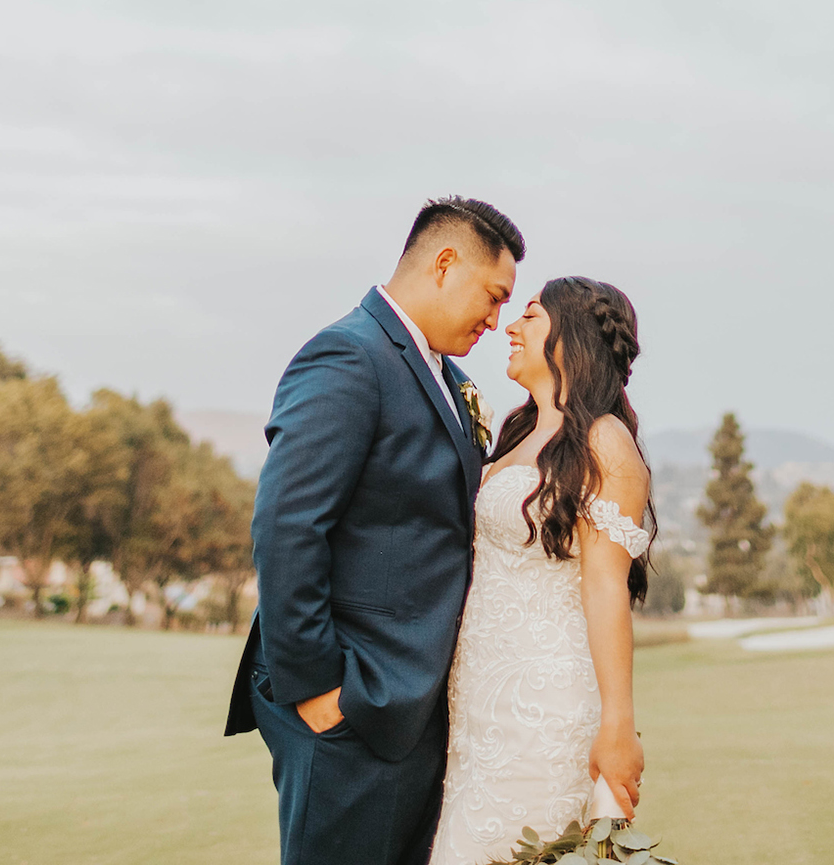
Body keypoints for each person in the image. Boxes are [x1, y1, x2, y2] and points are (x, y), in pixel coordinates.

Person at [226, 195, 525, 865]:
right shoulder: (348, 356)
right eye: (493, 296)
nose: (495, 319)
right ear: (444, 264)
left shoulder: (448, 376)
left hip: (412, 708)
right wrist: (318, 688)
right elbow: (287, 524)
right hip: (353, 706)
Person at [428, 276, 654, 864]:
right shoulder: (520, 432)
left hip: (545, 709)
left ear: (570, 335)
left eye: (529, 315)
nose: (510, 326)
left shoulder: (604, 443)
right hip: (478, 703)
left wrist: (618, 726)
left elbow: (606, 588)